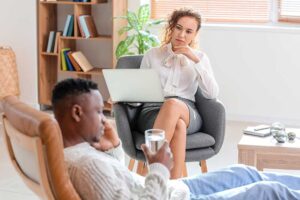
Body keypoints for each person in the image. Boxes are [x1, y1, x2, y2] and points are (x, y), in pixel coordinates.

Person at [52, 78, 300, 200]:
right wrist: (159, 166)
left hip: (175, 190)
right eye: (98, 111)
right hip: (171, 195)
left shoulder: (78, 152)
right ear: (77, 113)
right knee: (269, 191)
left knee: (245, 172)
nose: (104, 119)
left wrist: (113, 147)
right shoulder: (85, 166)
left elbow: (119, 181)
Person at [137, 8, 219, 178]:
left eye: (189, 31)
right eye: (179, 28)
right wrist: (123, 97)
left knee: (173, 104)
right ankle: (174, 186)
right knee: (178, 126)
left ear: (195, 34)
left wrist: (194, 60)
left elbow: (212, 94)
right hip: (153, 110)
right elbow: (140, 91)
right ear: (172, 28)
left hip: (187, 110)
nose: (182, 34)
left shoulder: (200, 58)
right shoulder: (152, 55)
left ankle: (151, 174)